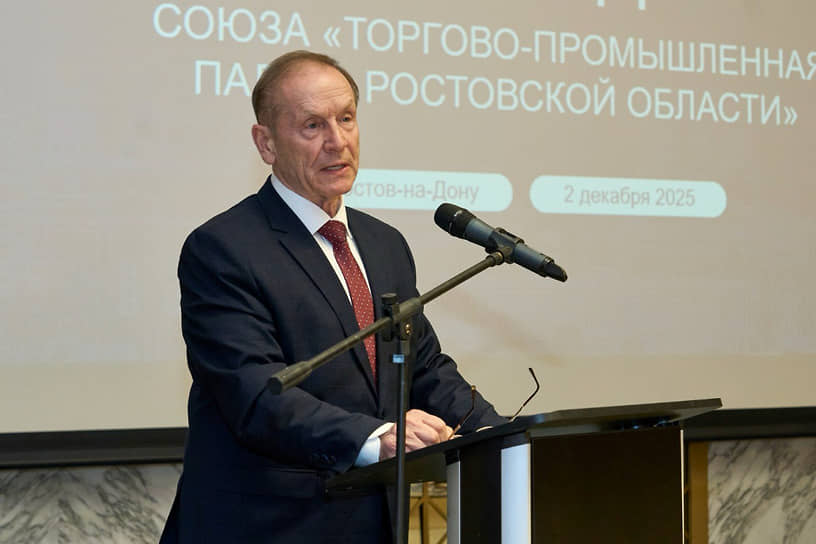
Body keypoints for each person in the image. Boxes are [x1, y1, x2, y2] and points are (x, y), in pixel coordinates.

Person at [160, 50, 505, 543]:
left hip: (390, 521)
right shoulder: (223, 248)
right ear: (265, 143)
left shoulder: (384, 243)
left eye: (346, 119)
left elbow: (423, 367)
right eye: (312, 125)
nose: (337, 141)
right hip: (274, 525)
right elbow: (254, 394)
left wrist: (495, 435)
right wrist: (376, 437)